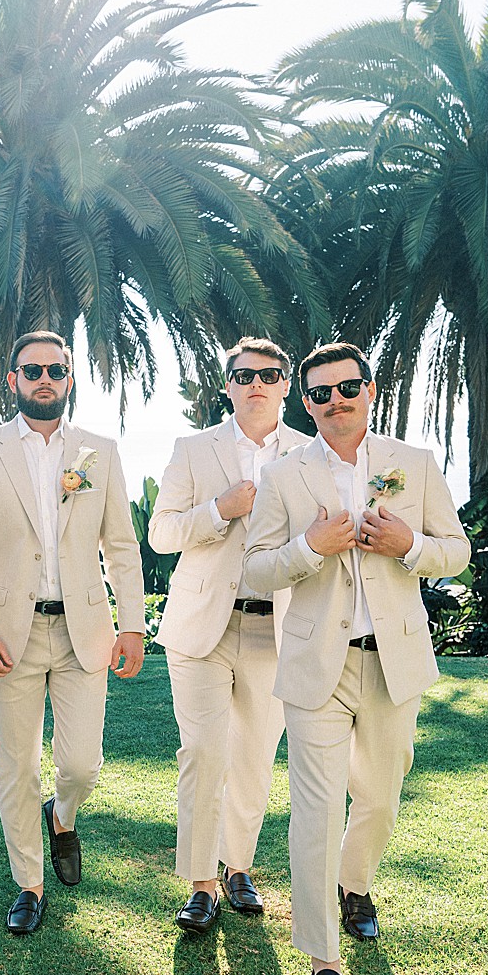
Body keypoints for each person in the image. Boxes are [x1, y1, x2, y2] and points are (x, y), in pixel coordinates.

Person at [244, 342, 470, 975]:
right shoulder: (284, 476)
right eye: (318, 393)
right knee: (316, 809)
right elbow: (255, 569)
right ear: (302, 401)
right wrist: (310, 548)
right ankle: (323, 960)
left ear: (370, 390)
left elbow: (454, 550)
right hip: (317, 663)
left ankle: (355, 882)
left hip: (393, 659)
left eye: (346, 388)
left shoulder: (416, 464)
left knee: (379, 793)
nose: (333, 402)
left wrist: (411, 548)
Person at [0, 332, 145, 935]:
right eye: (31, 369)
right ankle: (28, 884)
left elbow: (120, 543)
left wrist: (133, 624)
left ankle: (62, 816)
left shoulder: (99, 451)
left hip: (84, 628)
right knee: (16, 765)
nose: (43, 379)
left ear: (68, 378)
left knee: (82, 764)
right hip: (9, 631)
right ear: (13, 379)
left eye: (54, 370)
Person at [149, 336, 309, 934]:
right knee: (203, 751)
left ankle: (238, 866)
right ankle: (200, 882)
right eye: (244, 376)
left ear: (286, 384)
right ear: (228, 385)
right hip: (200, 629)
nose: (256, 385)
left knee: (254, 757)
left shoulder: (309, 450)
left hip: (281, 628)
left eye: (269, 375)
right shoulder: (193, 448)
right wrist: (221, 507)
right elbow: (162, 533)